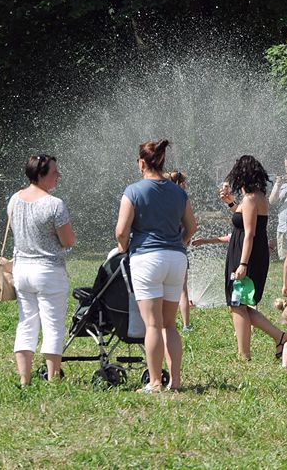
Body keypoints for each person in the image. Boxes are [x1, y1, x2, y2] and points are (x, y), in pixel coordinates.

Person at [116, 140, 196, 392]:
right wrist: (179, 242)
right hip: (176, 259)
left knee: (152, 324)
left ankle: (155, 382)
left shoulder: (134, 191)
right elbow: (192, 227)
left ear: (142, 163)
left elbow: (121, 231)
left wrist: (124, 247)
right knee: (169, 324)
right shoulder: (178, 192)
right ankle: (176, 381)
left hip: (147, 259)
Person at [9, 154, 75, 386]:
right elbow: (68, 241)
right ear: (40, 175)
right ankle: (52, 378)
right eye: (54, 172)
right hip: (48, 271)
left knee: (26, 323)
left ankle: (25, 379)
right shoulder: (54, 204)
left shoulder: (15, 199)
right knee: (53, 325)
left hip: (22, 270)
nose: (59, 175)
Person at [219, 155, 287, 360]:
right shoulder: (254, 197)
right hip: (248, 253)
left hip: (246, 255)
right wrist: (231, 203)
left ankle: (244, 354)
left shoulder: (251, 198)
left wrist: (242, 264)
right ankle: (281, 337)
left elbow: (249, 233)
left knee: (237, 304)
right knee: (239, 304)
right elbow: (242, 220)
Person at [164, 170, 194, 333]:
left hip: (159, 251)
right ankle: (186, 325)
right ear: (180, 184)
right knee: (182, 289)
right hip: (178, 251)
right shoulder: (182, 200)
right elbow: (190, 227)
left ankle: (161, 323)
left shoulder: (161, 200)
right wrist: (183, 242)